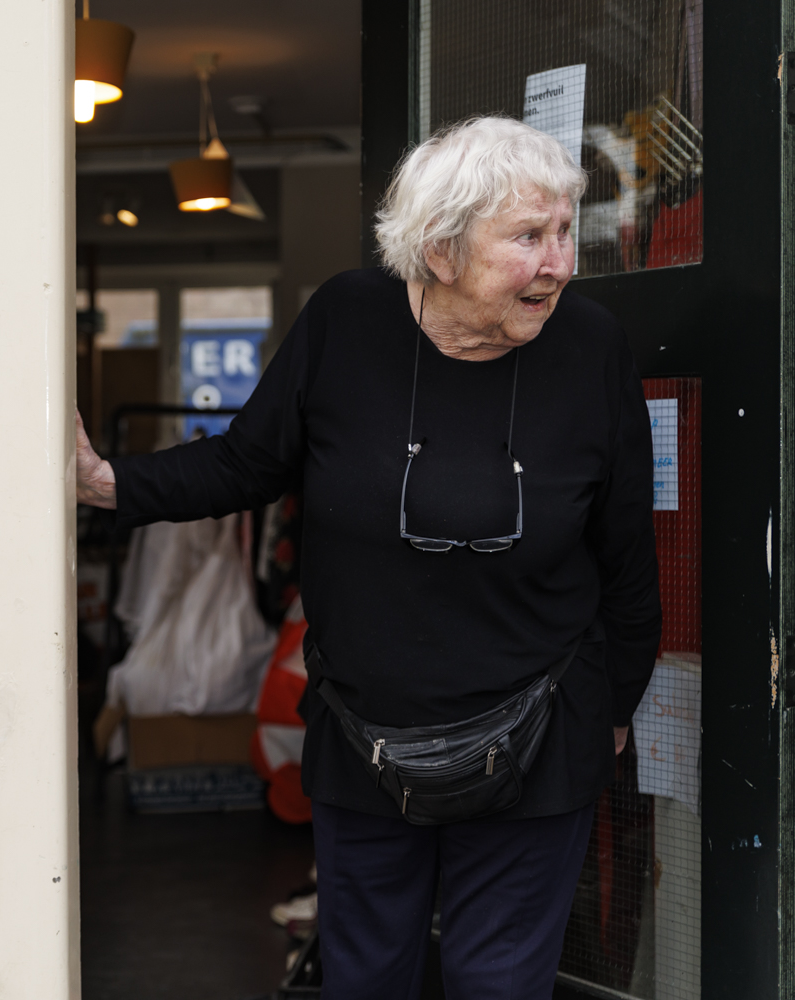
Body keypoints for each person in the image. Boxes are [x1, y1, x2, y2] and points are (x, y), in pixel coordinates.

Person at [75, 117, 661, 998]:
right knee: (366, 978)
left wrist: (614, 706)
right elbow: (245, 464)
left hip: (541, 736)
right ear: (441, 251)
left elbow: (626, 554)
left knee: (498, 985)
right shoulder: (345, 321)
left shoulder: (592, 348)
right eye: (529, 238)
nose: (560, 264)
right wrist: (106, 482)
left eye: (565, 232)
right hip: (363, 741)